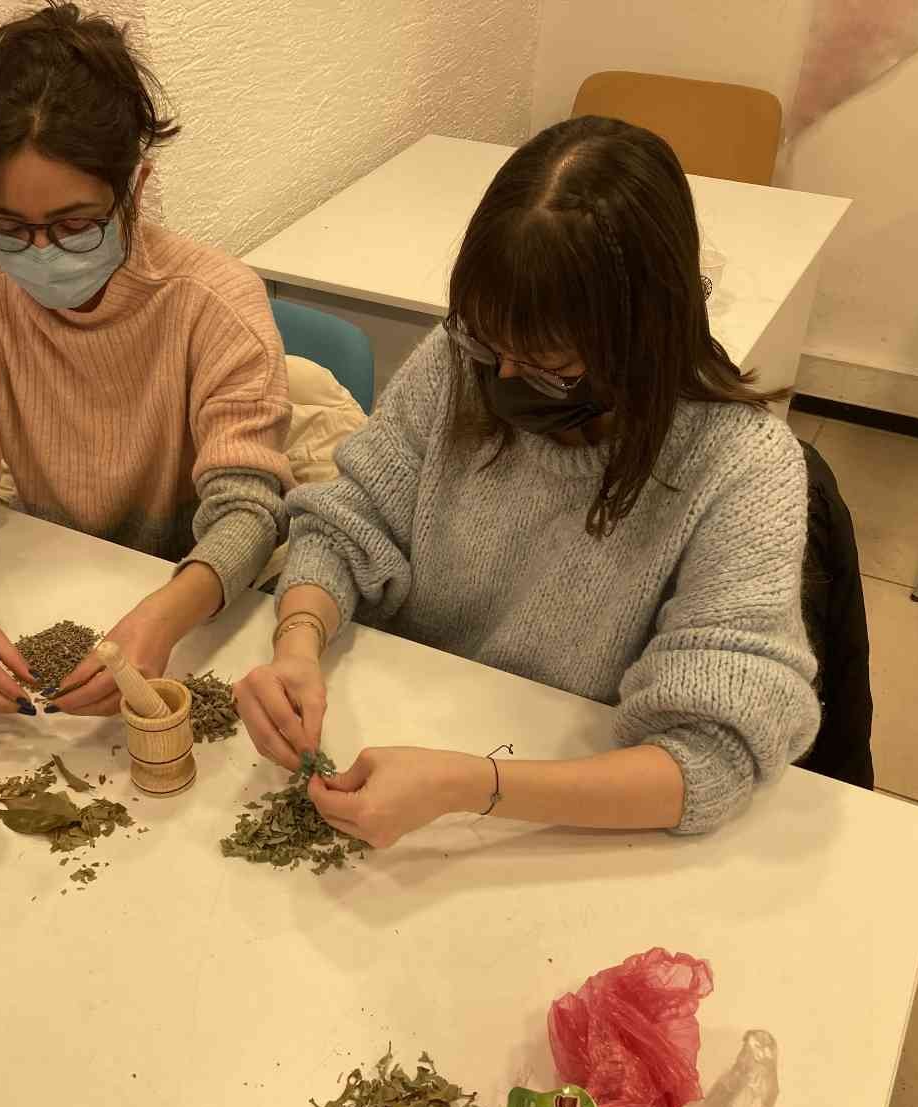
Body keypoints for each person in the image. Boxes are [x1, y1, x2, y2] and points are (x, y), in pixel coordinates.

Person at [234, 117, 821, 846]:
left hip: (567, 797)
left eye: (549, 366)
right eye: (489, 344)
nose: (504, 378)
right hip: (408, 721)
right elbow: (349, 520)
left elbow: (710, 757)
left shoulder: (741, 467)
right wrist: (297, 641)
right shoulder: (461, 361)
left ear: (644, 336)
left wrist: (471, 786)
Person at [0, 2, 293, 716]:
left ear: (134, 190)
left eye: (74, 225)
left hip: (195, 594)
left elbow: (250, 506)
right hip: (50, 574)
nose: (41, 253)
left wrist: (167, 614)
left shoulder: (214, 304)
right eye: (7, 228)